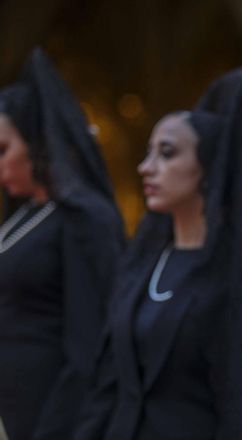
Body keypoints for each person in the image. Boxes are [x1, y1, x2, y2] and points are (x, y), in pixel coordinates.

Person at [75, 65, 242, 440]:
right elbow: (111, 383)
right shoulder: (143, 262)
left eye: (166, 154)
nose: (146, 168)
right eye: (148, 154)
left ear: (209, 169)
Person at [0, 48, 124, 440]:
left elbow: (89, 344)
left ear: (38, 141)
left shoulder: (83, 217)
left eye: (3, 149)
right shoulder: (22, 215)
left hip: (52, 417)